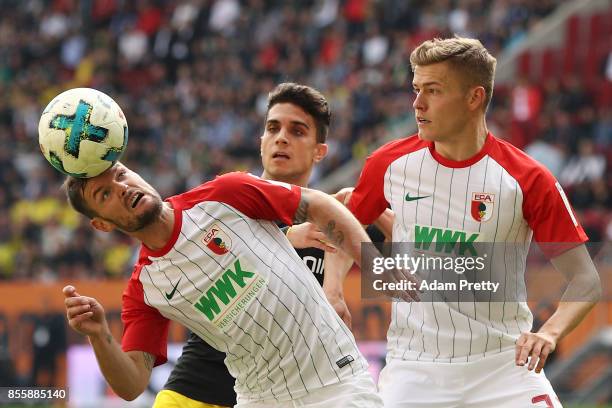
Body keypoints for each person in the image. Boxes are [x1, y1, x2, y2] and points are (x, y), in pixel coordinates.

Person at [346, 36, 601, 407]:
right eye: (416, 89)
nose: (417, 104)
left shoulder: (528, 178)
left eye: (433, 91)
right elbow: (341, 226)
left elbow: (586, 280)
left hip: (504, 366)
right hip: (415, 370)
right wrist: (351, 277)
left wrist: (549, 333)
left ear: (474, 97)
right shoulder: (388, 165)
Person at [61, 159, 387, 405]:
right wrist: (100, 336)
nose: (122, 188)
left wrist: (377, 266)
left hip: (338, 383)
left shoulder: (225, 193)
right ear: (101, 224)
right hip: (259, 399)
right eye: (104, 194)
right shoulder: (145, 289)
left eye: (121, 175)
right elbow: (132, 385)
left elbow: (318, 204)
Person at [153, 82, 367, 408]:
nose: (281, 137)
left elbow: (401, 272)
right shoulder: (228, 201)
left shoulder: (332, 220)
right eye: (273, 128)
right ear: (262, 142)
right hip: (197, 392)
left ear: (319, 151)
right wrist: (283, 238)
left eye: (297, 131)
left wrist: (335, 284)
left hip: (295, 395)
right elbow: (196, 268)